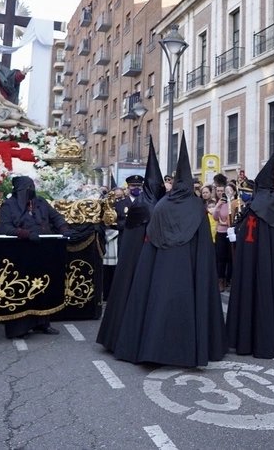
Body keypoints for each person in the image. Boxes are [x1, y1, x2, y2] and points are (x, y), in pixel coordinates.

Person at [110, 133, 226, 366]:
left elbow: (150, 239)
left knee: (157, 307)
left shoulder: (162, 205)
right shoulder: (196, 206)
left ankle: (152, 349)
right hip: (188, 271)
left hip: (161, 268)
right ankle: (189, 351)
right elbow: (204, 246)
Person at [227, 139, 274, 358]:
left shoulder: (253, 208)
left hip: (252, 266)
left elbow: (246, 237)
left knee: (252, 297)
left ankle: (248, 341)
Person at [97, 139, 165, 353]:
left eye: (138, 186)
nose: (136, 189)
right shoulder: (148, 206)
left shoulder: (152, 206)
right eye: (133, 186)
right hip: (132, 248)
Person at [0, 176, 69, 339]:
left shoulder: (41, 202)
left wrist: (63, 228)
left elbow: (55, 216)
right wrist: (26, 234)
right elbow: (5, 228)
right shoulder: (9, 205)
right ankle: (20, 327)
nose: (31, 191)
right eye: (27, 188)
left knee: (42, 286)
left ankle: (43, 322)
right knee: (22, 288)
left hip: (43, 249)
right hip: (21, 252)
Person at [212, 184, 233, 291]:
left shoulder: (232, 202)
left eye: (222, 191)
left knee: (230, 257)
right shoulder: (219, 203)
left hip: (230, 233)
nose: (220, 193)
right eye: (218, 191)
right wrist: (218, 206)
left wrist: (226, 222)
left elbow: (233, 217)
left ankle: (228, 280)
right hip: (221, 233)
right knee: (220, 258)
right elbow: (215, 217)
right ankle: (220, 280)